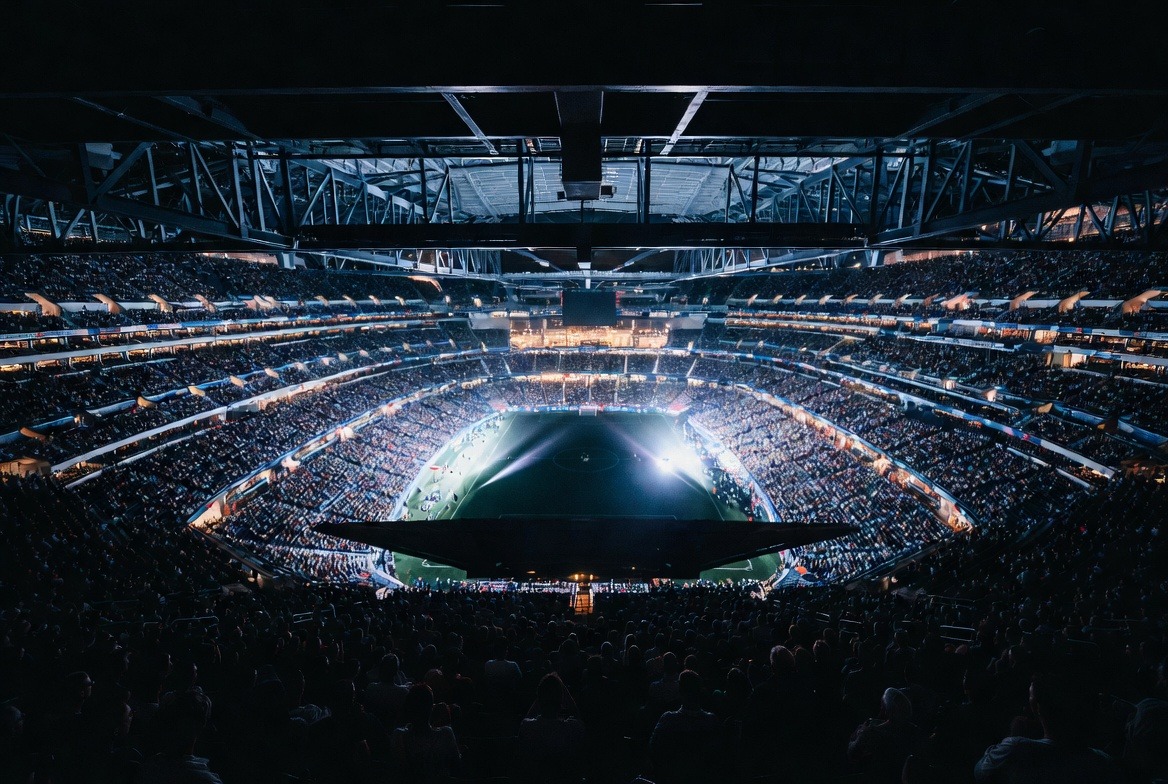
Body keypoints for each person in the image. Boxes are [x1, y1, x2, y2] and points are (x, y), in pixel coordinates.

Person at [974, 674, 1123, 784]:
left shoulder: (1016, 749)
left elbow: (980, 771)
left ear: (1037, 707)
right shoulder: (1104, 762)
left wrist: (1013, 738)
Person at [648, 669, 722, 784]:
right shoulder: (711, 721)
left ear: (680, 691)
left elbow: (654, 750)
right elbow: (717, 757)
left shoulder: (668, 720)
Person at [517, 673, 586, 783]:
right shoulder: (572, 729)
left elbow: (527, 718)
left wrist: (542, 695)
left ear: (539, 699)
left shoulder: (528, 727)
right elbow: (578, 716)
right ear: (561, 702)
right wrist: (564, 691)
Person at [390, 684, 461, 783]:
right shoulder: (446, 734)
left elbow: (400, 772)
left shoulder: (399, 735)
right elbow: (456, 767)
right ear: (431, 708)